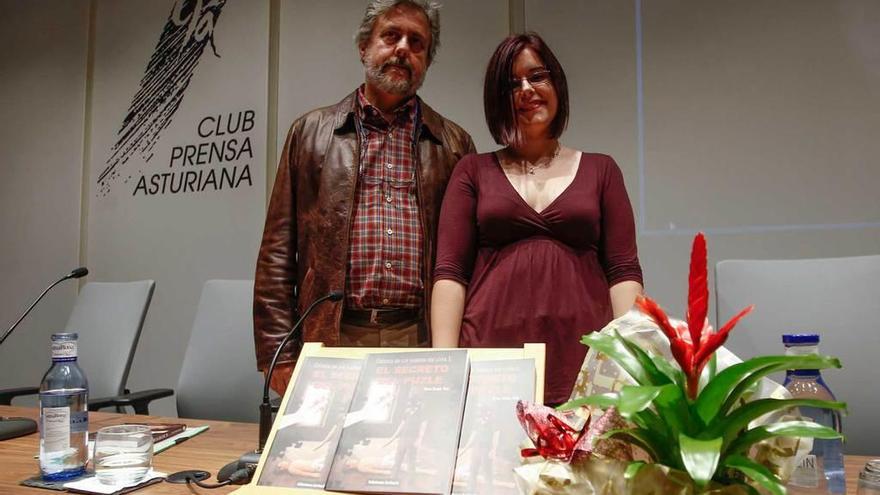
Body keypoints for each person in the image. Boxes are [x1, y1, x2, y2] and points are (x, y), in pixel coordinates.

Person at [254, 0, 475, 395]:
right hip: (333, 340)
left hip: (420, 340)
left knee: (416, 455)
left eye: (417, 42)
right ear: (364, 47)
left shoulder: (454, 145)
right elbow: (277, 254)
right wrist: (280, 353)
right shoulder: (310, 134)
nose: (403, 49)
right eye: (391, 36)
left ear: (426, 60)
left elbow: (468, 262)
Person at [431, 33, 643, 406]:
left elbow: (623, 273)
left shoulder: (602, 170)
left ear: (556, 83)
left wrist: (629, 363)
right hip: (490, 360)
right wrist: (444, 369)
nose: (527, 89)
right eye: (512, 84)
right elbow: (450, 275)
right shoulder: (472, 171)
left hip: (583, 362)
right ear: (498, 100)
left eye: (537, 76)